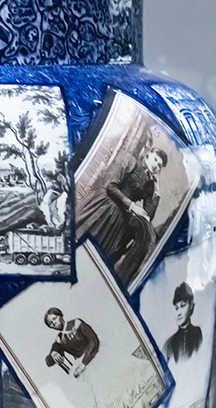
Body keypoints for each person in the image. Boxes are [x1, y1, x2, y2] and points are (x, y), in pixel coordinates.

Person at [78, 146, 168, 284]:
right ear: (148, 155)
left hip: (120, 223)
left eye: (159, 165)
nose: (156, 165)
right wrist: (131, 206)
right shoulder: (131, 162)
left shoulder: (151, 185)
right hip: (106, 208)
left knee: (96, 259)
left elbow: (148, 215)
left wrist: (158, 188)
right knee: (81, 242)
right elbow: (111, 187)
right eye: (155, 159)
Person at [44, 307, 100, 378]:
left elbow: (93, 341)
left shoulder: (76, 323)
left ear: (61, 315)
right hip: (79, 365)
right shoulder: (60, 338)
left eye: (54, 318)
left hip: (94, 356)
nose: (54, 323)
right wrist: (54, 353)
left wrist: (83, 364)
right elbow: (49, 361)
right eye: (50, 323)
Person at [163, 282, 203, 361]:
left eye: (182, 305)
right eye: (176, 308)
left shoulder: (197, 333)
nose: (179, 313)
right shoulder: (169, 344)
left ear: (191, 305)